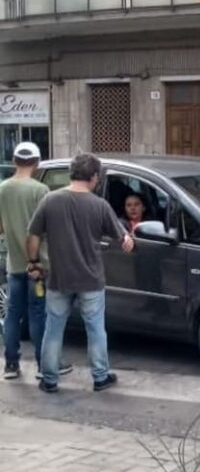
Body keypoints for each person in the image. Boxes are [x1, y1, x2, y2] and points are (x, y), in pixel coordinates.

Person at [27, 153, 134, 394]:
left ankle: (50, 379)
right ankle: (100, 377)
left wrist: (33, 263)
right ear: (94, 176)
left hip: (59, 278)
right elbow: (123, 239)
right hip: (91, 280)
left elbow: (32, 236)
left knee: (53, 329)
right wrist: (127, 239)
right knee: (95, 329)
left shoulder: (50, 201)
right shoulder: (100, 205)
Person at [0, 142, 52, 380]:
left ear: (14, 160)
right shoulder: (40, 190)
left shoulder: (2, 189)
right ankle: (42, 366)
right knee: (38, 313)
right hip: (37, 265)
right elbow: (46, 229)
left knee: (12, 314)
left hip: (14, 264)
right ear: (37, 162)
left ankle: (11, 364)